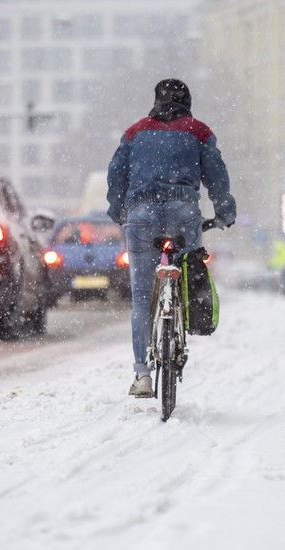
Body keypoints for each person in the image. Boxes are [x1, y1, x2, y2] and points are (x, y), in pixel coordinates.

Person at [106, 78, 236, 397]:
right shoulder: (199, 132)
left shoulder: (135, 132)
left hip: (141, 213)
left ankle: (142, 375)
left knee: (140, 296)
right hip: (183, 212)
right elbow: (217, 178)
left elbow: (116, 174)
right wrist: (224, 213)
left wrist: (117, 210)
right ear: (187, 102)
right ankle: (180, 322)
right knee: (190, 274)